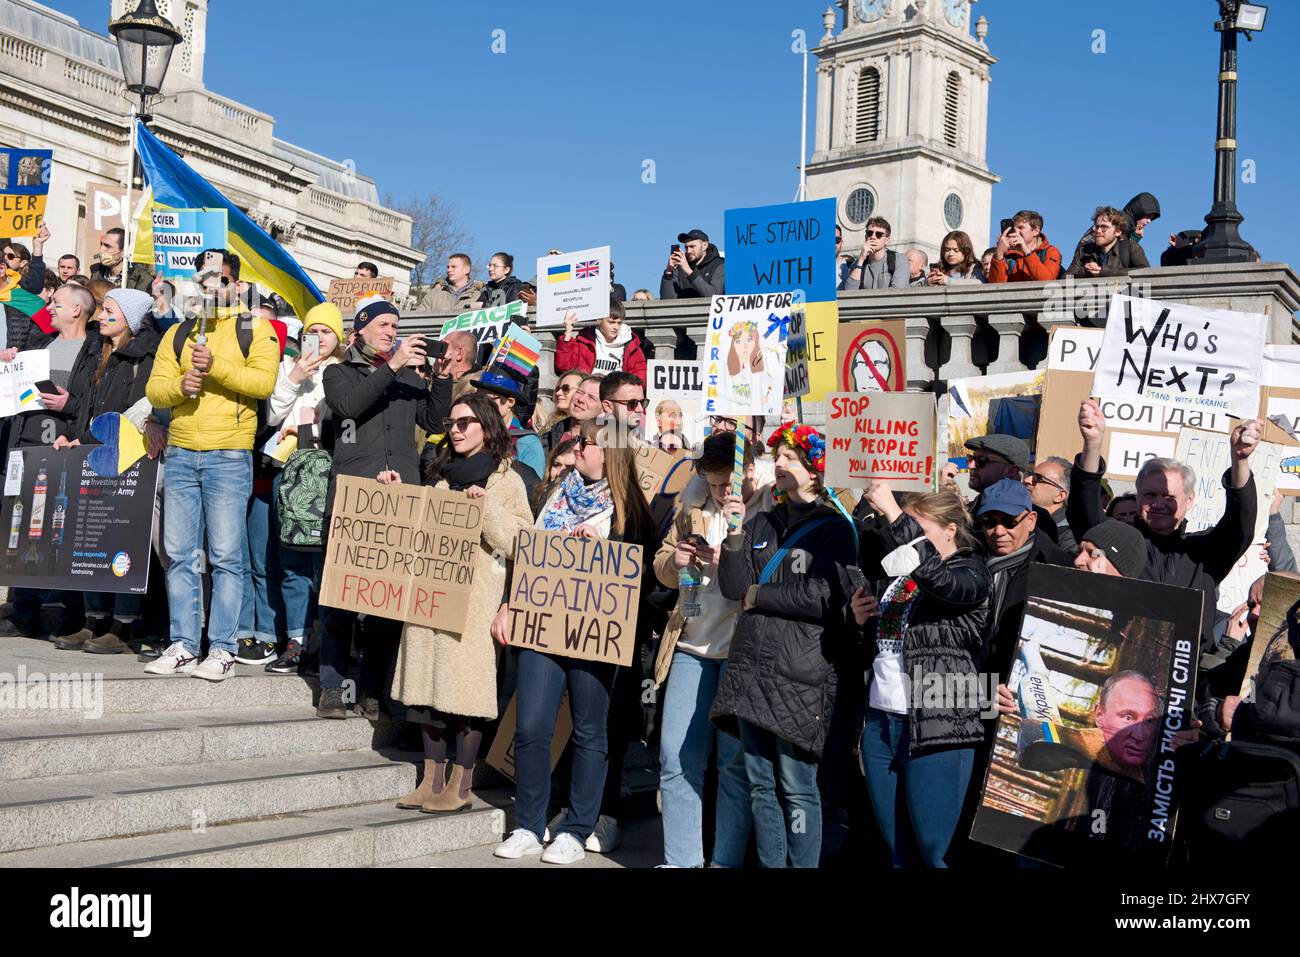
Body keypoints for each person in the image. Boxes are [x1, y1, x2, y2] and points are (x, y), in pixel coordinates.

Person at [492, 416, 657, 864]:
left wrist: (603, 549)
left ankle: (577, 826)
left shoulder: (631, 514)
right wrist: (509, 605)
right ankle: (528, 822)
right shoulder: (553, 494)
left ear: (612, 453)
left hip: (594, 637)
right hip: (543, 626)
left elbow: (644, 582)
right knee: (531, 725)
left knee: (590, 729)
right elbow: (529, 556)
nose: (576, 447)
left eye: (585, 442)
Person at [710, 423, 860, 867]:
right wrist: (734, 533)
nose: (778, 464)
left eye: (790, 458)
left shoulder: (836, 528)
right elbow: (735, 587)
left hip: (800, 672)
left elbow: (826, 596)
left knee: (797, 786)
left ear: (815, 470)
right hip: (751, 670)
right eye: (776, 456)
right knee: (760, 783)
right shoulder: (761, 522)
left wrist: (762, 596)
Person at [389, 392, 533, 813]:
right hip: (432, 593)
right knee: (425, 688)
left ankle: (462, 784)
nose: (455, 429)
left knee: (466, 692)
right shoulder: (438, 473)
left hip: (474, 599)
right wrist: (398, 500)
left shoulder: (508, 479)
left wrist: (485, 510)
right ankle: (431, 780)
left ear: (486, 426)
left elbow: (521, 541)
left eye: (465, 422)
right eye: (451, 422)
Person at [142, 255, 281, 681]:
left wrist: (215, 366)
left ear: (236, 285)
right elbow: (154, 388)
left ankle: (221, 648)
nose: (210, 288)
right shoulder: (181, 330)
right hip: (182, 452)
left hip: (229, 455)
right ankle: (183, 644)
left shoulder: (254, 328)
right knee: (179, 556)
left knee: (226, 557)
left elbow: (263, 384)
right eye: (202, 281)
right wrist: (179, 387)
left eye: (219, 280)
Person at [313, 298, 453, 715]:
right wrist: (392, 367)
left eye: (396, 325)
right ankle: (333, 687)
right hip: (355, 495)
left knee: (388, 601)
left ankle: (373, 687)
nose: (393, 331)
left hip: (399, 496)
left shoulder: (408, 374)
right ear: (361, 329)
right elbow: (349, 407)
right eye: (385, 325)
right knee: (340, 596)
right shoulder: (339, 372)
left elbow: (433, 422)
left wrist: (440, 380)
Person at [855, 484, 991, 868]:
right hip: (881, 722)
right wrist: (859, 617)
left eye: (918, 524)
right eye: (906, 523)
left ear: (950, 529)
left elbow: (943, 583)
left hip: (939, 723)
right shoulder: (898, 575)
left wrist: (896, 517)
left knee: (936, 854)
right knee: (898, 852)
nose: (906, 531)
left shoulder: (971, 571)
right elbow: (882, 645)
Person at [1067, 398, 1259, 661]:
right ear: (1136, 498)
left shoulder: (1203, 553)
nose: (1158, 504)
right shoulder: (1117, 544)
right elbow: (1083, 510)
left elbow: (1241, 524)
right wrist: (1092, 444)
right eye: (1150, 495)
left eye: (1169, 497)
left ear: (1189, 501)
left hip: (1185, 680)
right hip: (1116, 665)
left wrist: (1240, 460)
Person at [652, 434, 756, 867]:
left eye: (728, 482)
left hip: (738, 650)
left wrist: (734, 544)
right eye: (713, 484)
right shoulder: (690, 508)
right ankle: (683, 859)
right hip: (690, 646)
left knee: (733, 766)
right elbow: (660, 565)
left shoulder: (764, 511)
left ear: (748, 472)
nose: (721, 492)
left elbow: (764, 583)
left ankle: (725, 860)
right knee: (675, 756)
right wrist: (674, 563)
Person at [47, 289, 161, 653]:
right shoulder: (100, 351)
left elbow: (135, 409)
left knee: (120, 539)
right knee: (90, 538)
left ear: (127, 317)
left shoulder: (144, 356)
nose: (99, 317)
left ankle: (122, 625)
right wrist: (72, 436)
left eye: (108, 311)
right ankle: (93, 619)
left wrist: (92, 438)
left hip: (126, 459)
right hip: (93, 453)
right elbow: (87, 404)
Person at [260, 302, 346, 674]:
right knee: (292, 559)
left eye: (327, 332)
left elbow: (347, 428)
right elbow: (271, 415)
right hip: (287, 472)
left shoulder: (344, 373)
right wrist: (294, 375)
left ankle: (323, 643)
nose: (319, 338)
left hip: (327, 476)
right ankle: (296, 641)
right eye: (313, 331)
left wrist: (309, 432)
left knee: (323, 564)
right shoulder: (286, 368)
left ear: (338, 338)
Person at [976, 479, 1073, 688]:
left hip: (1019, 693)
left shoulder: (1058, 568)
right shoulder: (966, 562)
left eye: (1010, 522)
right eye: (989, 522)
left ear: (1030, 520)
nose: (999, 531)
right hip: (970, 691)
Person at [963, 433, 1059, 544]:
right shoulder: (969, 510)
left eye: (981, 460)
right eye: (970, 458)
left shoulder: (1039, 520)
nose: (971, 466)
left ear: (1011, 471)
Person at [470, 365, 545, 482]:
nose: (480, 405)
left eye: (488, 400)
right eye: (477, 398)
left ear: (510, 402)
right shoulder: (471, 432)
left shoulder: (527, 442)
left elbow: (532, 489)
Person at [554, 299, 647, 382]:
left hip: (614, 395)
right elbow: (563, 367)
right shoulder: (584, 341)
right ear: (599, 319)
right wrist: (568, 333)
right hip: (586, 394)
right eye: (611, 322)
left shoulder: (631, 346)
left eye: (619, 323)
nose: (616, 327)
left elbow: (640, 379)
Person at [1066, 206, 1150, 278]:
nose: (1098, 231)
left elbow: (1146, 272)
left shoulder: (1130, 247)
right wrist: (1085, 272)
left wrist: (1103, 272)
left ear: (1118, 231)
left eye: (1104, 227)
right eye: (1097, 226)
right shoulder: (1084, 250)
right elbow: (1065, 278)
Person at [3, 225, 49, 350]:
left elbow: (35, 284)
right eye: (3, 255)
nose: (5, 258)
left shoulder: (19, 285)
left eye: (10, 256)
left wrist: (37, 246)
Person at [986, 210, 1061, 283]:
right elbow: (996, 286)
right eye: (1014, 228)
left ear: (1036, 231)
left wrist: (1026, 250)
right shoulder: (1008, 254)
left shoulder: (1051, 252)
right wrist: (999, 253)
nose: (1016, 231)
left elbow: (1047, 280)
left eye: (1020, 228)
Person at [1025, 455, 1077, 554]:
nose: (1027, 480)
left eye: (1038, 478)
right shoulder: (1021, 519)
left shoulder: (1069, 536)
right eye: (1030, 474)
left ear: (1060, 495)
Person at [841, 216, 908, 290]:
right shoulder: (857, 264)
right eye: (869, 233)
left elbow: (897, 292)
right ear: (865, 237)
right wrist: (861, 260)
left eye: (879, 234)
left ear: (887, 240)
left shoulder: (899, 260)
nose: (873, 237)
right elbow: (849, 292)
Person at [660, 228, 725, 300]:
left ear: (705, 245)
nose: (688, 251)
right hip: (682, 311)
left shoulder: (719, 264)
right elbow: (667, 299)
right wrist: (668, 272)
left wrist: (689, 271)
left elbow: (714, 297)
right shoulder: (679, 267)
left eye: (692, 246)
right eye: (686, 247)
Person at [541, 373, 600, 452]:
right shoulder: (550, 435)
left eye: (591, 397)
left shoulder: (605, 447)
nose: (581, 399)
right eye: (580, 392)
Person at [89, 226, 153, 292]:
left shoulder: (139, 278)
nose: (101, 250)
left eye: (107, 246)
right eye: (101, 244)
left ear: (123, 252)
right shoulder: (97, 272)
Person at [421, 253, 485, 313]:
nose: (449, 270)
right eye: (448, 267)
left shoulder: (478, 296)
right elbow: (418, 319)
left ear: (467, 270)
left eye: (453, 267)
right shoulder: (433, 295)